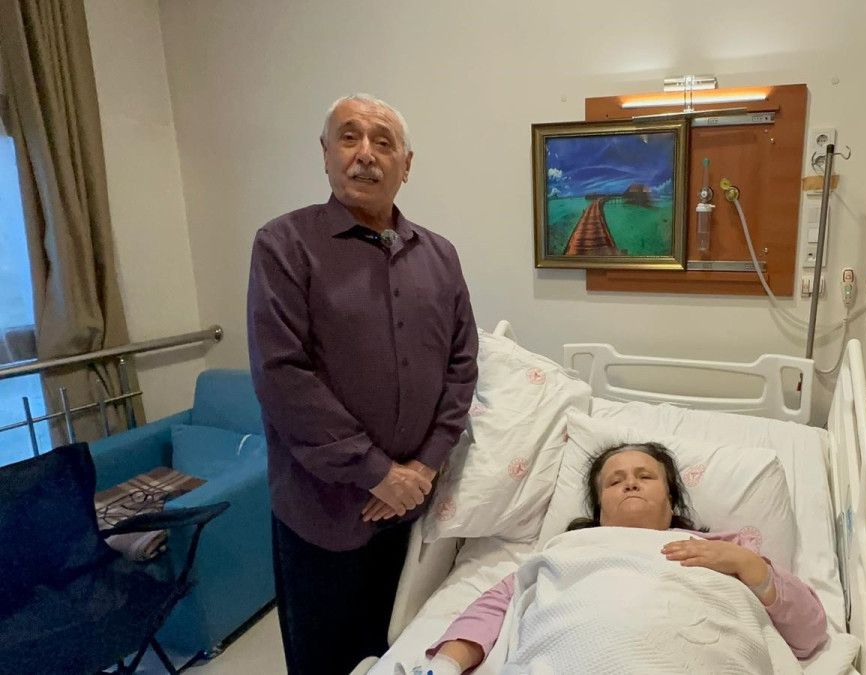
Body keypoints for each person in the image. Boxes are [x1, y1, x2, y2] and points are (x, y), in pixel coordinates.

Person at [247, 93, 478, 674]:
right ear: (325, 153)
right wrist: (377, 471)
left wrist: (422, 468)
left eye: (383, 142)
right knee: (324, 660)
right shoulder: (283, 246)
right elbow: (282, 374)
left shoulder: (440, 256)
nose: (366, 154)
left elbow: (462, 365)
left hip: (414, 509)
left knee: (397, 652)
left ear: (407, 164)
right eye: (349, 137)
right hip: (321, 511)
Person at [422, 442, 827, 674]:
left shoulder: (727, 550)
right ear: (599, 508)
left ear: (671, 500)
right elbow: (495, 608)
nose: (630, 483)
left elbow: (809, 635)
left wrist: (747, 564)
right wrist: (445, 666)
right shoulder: (566, 550)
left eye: (645, 476)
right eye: (615, 481)